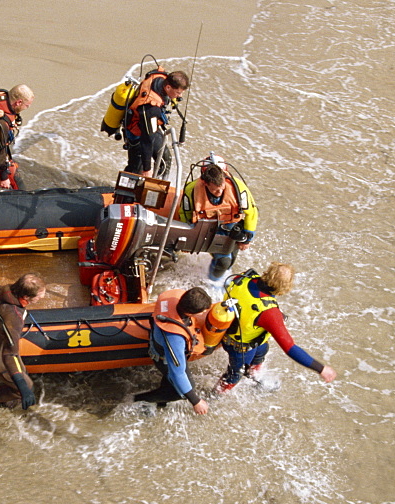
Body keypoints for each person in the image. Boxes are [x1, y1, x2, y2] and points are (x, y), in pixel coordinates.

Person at [214, 263, 337, 393]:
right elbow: (290, 348)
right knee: (234, 375)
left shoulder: (244, 277)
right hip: (238, 347)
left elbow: (246, 302)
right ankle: (214, 395)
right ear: (284, 288)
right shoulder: (270, 313)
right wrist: (321, 369)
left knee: (262, 348)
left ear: (268, 272)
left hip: (227, 326)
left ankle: (253, 376)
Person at [178, 155, 259, 282]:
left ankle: (219, 273)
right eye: (216, 191)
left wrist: (247, 238)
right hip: (209, 230)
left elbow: (252, 213)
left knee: (231, 260)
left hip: (232, 228)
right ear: (205, 183)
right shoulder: (191, 190)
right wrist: (187, 240)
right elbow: (185, 214)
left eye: (222, 189)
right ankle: (212, 281)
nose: (220, 192)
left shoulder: (239, 188)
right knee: (224, 261)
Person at [0, 273, 47, 410]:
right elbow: (9, 355)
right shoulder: (13, 319)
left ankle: (8, 396)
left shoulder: (2, 289)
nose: (42, 297)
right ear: (25, 297)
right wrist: (24, 388)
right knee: (25, 385)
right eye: (38, 295)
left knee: (22, 371)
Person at [134, 287, 212, 415]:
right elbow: (178, 372)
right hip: (163, 358)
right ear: (189, 313)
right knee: (180, 392)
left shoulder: (173, 297)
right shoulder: (174, 338)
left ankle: (161, 401)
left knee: (169, 383)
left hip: (157, 339)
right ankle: (140, 400)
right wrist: (195, 401)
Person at [124, 68, 189, 179]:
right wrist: (147, 169)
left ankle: (155, 188)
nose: (180, 96)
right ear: (168, 87)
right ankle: (125, 193)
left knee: (165, 160)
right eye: (178, 92)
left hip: (151, 126)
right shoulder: (150, 107)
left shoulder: (161, 78)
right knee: (135, 170)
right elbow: (147, 139)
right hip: (137, 133)